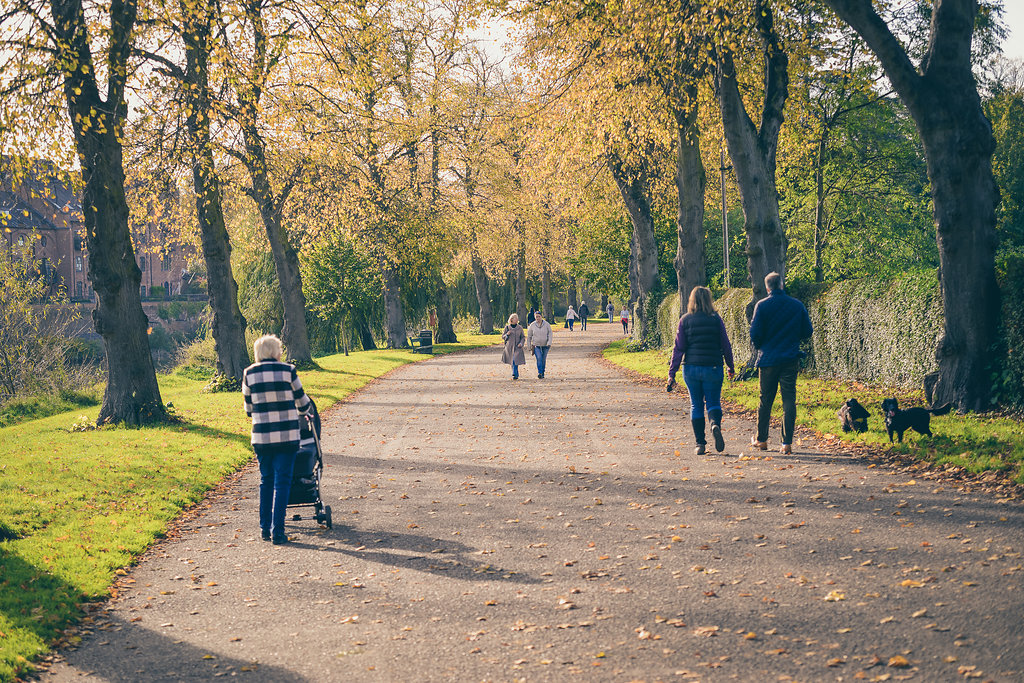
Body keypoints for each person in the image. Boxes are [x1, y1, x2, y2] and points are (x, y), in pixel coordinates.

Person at [243, 334, 311, 544]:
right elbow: (302, 401)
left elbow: (248, 409)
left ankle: (264, 528)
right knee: (282, 482)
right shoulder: (288, 371)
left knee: (266, 480)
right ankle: (278, 532)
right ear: (275, 352)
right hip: (286, 436)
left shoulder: (249, 374)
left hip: (262, 437)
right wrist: (305, 410)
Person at [749, 272, 814, 454]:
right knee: (789, 400)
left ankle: (762, 440)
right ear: (782, 285)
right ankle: (786, 443)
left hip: (768, 359)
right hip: (790, 358)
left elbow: (754, 333)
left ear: (767, 287)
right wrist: (793, 339)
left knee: (765, 400)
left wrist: (762, 346)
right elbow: (807, 331)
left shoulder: (761, 306)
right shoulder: (796, 305)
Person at [667, 287, 735, 455]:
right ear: (709, 300)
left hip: (691, 368)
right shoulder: (715, 319)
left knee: (696, 404)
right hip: (713, 367)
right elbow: (725, 344)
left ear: (691, 300)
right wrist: (730, 366)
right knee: (713, 402)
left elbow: (678, 349)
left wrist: (672, 373)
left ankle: (700, 444)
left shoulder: (685, 320)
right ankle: (714, 425)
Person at [526, 310, 553, 378]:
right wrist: (529, 346)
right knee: (539, 357)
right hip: (536, 345)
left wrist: (549, 343)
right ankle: (540, 372)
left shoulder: (547, 324)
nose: (538, 318)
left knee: (543, 359)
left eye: (539, 316)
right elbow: (529, 336)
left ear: (541, 317)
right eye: (536, 317)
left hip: (545, 345)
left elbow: (550, 334)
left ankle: (542, 371)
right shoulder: (532, 325)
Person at [501, 313, 526, 380]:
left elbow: (523, 337)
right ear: (511, 319)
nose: (517, 319)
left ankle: (514, 373)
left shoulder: (520, 327)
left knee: (515, 359)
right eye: (515, 318)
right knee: (512, 360)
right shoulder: (507, 327)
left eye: (517, 318)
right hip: (509, 347)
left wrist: (521, 343)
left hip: (518, 347)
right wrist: (507, 334)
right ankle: (516, 374)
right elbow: (503, 337)